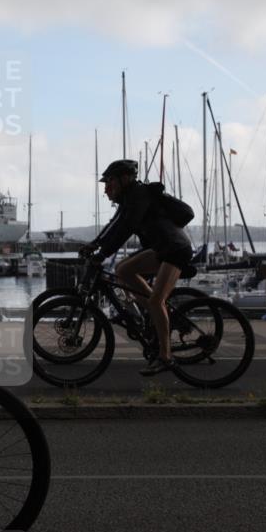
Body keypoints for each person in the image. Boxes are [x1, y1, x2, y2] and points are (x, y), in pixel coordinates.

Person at [81, 159, 194, 376]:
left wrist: (102, 253)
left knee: (155, 300)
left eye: (110, 182)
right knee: (122, 271)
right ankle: (158, 313)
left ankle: (165, 357)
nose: (106, 188)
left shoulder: (139, 196)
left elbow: (126, 228)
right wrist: (95, 244)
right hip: (161, 249)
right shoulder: (129, 199)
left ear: (125, 179)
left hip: (175, 250)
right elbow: (113, 225)